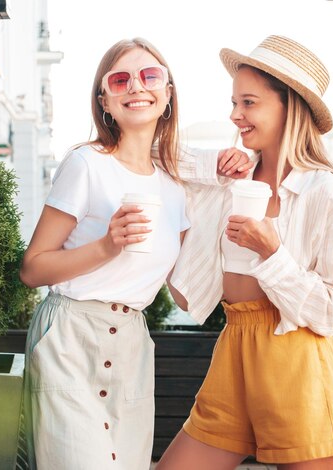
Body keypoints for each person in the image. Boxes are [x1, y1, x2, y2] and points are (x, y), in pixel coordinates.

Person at [19, 37, 250, 470]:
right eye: (120, 79)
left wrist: (233, 192)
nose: (136, 87)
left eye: (150, 76)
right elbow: (33, 269)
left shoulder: (175, 188)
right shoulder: (85, 164)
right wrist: (107, 245)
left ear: (167, 95)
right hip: (70, 338)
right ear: (104, 100)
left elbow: (184, 294)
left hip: (131, 348)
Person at [156, 35, 333, 470]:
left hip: (298, 359)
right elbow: (148, 154)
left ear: (290, 107)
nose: (235, 115)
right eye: (233, 102)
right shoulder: (234, 176)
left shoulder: (327, 190)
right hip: (234, 346)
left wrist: (273, 253)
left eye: (249, 102)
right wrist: (213, 163)